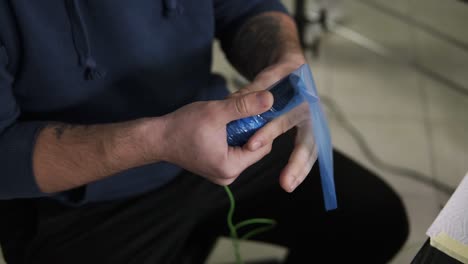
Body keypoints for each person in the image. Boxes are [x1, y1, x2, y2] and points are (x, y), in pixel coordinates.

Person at [0, 1, 408, 263]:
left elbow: (248, 8)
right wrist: (157, 139)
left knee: (374, 220)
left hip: (218, 136)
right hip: (74, 204)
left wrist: (285, 62)